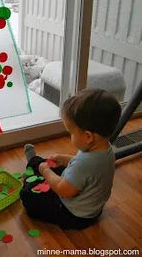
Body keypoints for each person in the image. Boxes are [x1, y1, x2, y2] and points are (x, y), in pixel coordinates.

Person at [20, 88, 121, 230]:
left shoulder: (84, 164)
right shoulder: (105, 149)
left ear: (88, 136)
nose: (70, 136)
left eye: (71, 132)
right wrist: (64, 159)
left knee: (28, 196)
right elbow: (86, 168)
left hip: (73, 215)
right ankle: (35, 165)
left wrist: (45, 171)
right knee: (54, 166)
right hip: (91, 210)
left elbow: (63, 190)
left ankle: (33, 168)